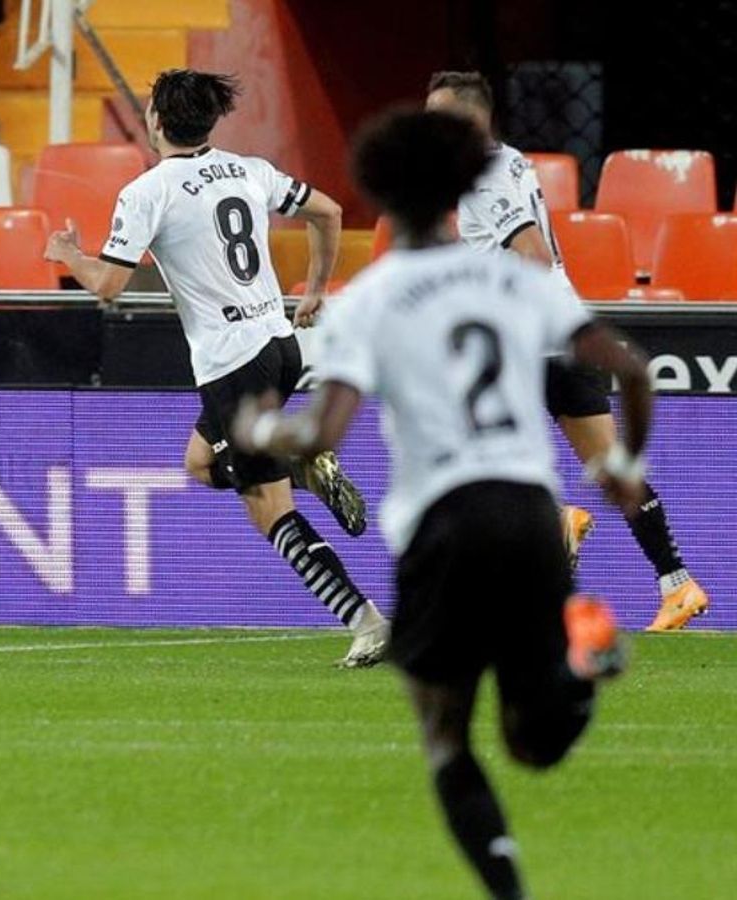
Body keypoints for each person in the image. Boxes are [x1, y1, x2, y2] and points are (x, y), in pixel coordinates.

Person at [234, 108, 640, 900]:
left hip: (441, 527)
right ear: (462, 188)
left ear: (379, 195)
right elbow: (628, 364)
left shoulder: (373, 297)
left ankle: (509, 891)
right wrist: (621, 465)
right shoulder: (512, 279)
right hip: (528, 512)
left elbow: (323, 431)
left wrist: (259, 426)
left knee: (447, 741)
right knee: (536, 742)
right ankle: (585, 659)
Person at [44, 69, 389, 667]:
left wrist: (68, 254)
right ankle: (306, 468)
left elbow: (108, 287)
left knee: (269, 512)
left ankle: (367, 622)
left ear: (156, 120)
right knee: (200, 463)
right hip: (278, 345)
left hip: (234, 364)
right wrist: (311, 289)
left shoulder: (149, 191)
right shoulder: (247, 169)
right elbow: (328, 212)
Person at [425, 71, 707, 631]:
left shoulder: (482, 177)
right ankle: (678, 583)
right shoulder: (506, 159)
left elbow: (529, 255)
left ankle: (551, 528)